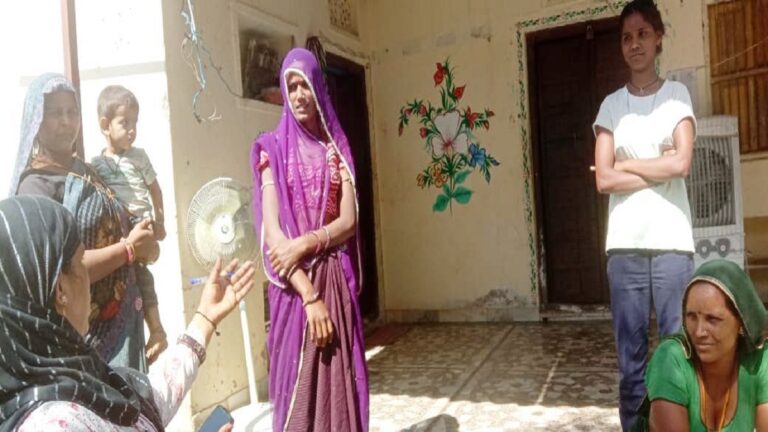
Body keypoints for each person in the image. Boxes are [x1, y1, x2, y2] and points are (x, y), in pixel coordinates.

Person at [0, 195, 254, 431]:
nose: (90, 278)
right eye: (81, 263)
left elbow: (152, 398)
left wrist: (205, 318)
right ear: (60, 290)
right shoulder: (51, 425)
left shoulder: (77, 377)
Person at [9, 73, 163, 370]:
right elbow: (61, 275)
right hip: (81, 347)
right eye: (55, 113)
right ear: (36, 121)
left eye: (72, 111)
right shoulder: (35, 188)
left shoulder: (89, 172)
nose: (66, 121)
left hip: (127, 328)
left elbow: (127, 230)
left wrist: (146, 242)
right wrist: (129, 250)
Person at [250, 48, 369, 431]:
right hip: (294, 290)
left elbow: (348, 221)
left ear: (319, 88)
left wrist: (304, 244)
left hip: (333, 281)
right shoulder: (272, 149)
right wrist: (309, 296)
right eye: (292, 86)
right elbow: (273, 233)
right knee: (298, 395)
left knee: (338, 386)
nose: (300, 95)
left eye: (306, 85)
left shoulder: (336, 150)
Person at [592, 0, 697, 429]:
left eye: (642, 34)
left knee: (678, 354)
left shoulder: (677, 97)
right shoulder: (611, 106)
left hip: (672, 243)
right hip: (625, 247)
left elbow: (682, 164)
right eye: (626, 37)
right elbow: (603, 179)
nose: (634, 44)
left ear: (658, 39)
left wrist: (627, 163)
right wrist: (658, 165)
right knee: (631, 365)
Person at [633, 259, 768, 431]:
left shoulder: (760, 359)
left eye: (712, 319)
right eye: (691, 317)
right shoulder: (670, 359)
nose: (698, 332)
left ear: (741, 322)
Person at [90, 85, 168, 363]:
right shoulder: (97, 164)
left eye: (135, 122)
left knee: (142, 275)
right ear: (105, 125)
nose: (132, 129)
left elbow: (155, 189)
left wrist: (160, 221)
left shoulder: (139, 157)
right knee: (121, 279)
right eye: (125, 123)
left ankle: (156, 329)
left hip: (139, 221)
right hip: (115, 227)